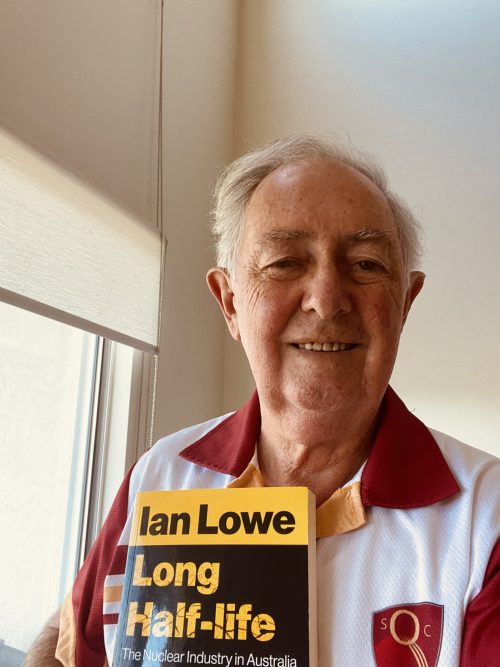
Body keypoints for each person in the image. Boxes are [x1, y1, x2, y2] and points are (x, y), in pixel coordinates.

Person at [26, 136, 500, 666]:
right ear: (230, 302)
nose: (325, 298)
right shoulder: (159, 475)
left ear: (404, 303)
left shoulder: (488, 517)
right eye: (283, 262)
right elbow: (71, 646)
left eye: (366, 264)